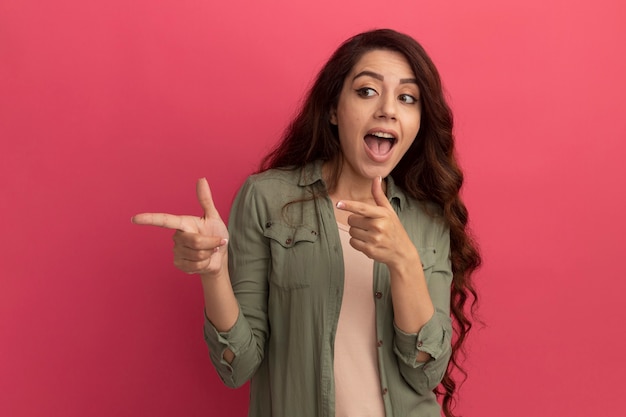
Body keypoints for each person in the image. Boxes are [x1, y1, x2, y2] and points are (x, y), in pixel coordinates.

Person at [132, 28, 481, 417]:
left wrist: (403, 261)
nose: (387, 109)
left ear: (418, 120)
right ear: (333, 109)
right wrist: (214, 273)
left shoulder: (427, 218)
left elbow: (425, 371)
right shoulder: (267, 199)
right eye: (367, 91)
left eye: (407, 97)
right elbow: (237, 365)